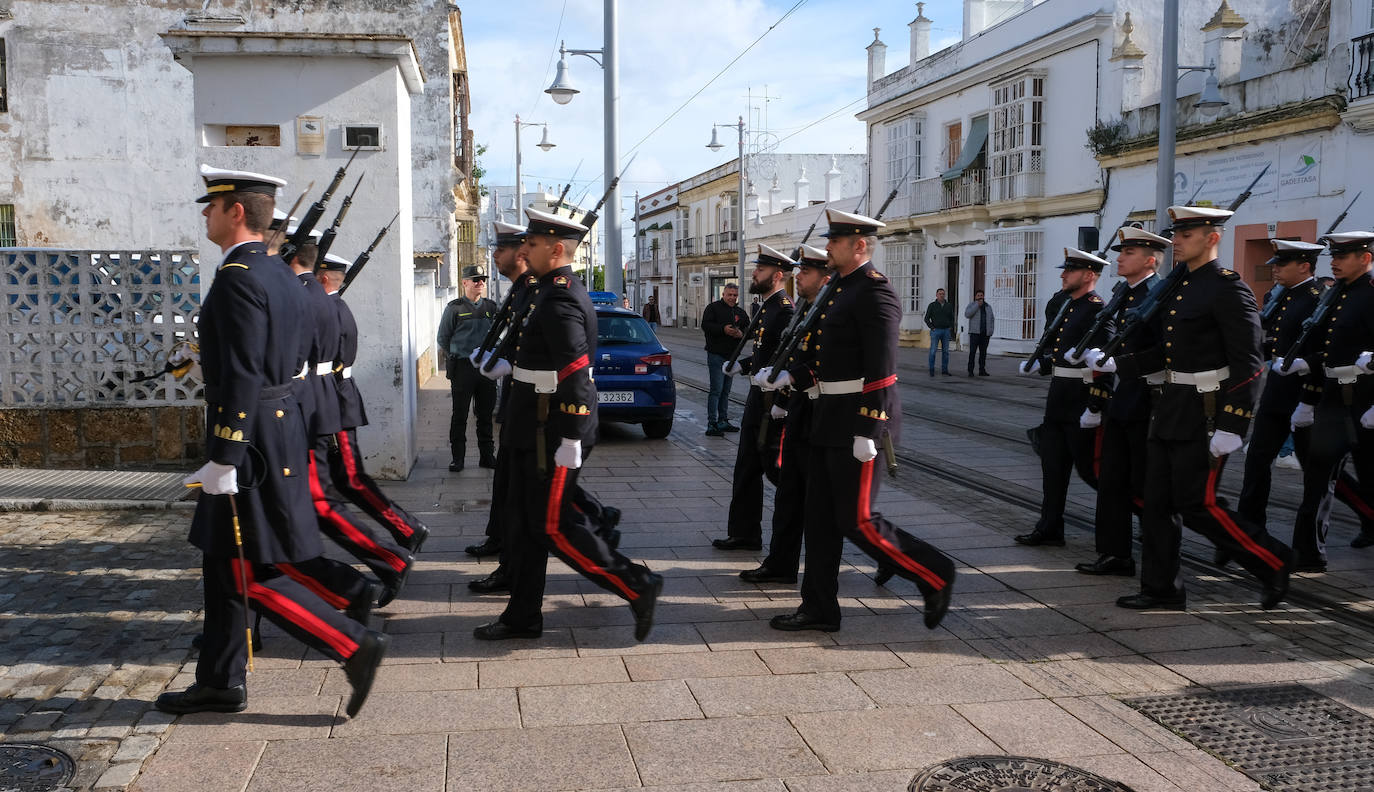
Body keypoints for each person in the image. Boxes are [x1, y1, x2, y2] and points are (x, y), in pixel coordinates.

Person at [157, 165, 385, 717]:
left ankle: (351, 644)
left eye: (211, 206)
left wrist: (225, 454)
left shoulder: (238, 276)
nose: (205, 214)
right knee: (227, 562)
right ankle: (220, 680)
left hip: (251, 435)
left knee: (239, 568)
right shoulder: (283, 274)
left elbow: (240, 372)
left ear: (236, 210)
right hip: (280, 424)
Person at [1088, 205, 1291, 611]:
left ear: (1211, 238)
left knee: (1198, 504)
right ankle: (1163, 589)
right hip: (1169, 407)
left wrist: (1235, 424)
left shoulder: (1228, 288)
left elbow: (1250, 362)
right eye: (1176, 234)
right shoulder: (1180, 286)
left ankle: (1274, 561)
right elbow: (1165, 354)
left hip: (1207, 410)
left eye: (1186, 234)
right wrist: (1118, 365)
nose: (1177, 241)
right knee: (1158, 505)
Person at [473, 208, 662, 642]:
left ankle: (636, 584)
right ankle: (522, 616)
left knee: (553, 525)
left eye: (533, 244)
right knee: (521, 525)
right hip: (529, 420)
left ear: (556, 249)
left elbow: (575, 370)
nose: (524, 249)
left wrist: (573, 435)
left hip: (551, 428)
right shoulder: (543, 291)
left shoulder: (560, 297)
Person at [768, 208, 956, 633]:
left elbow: (882, 369)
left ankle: (936, 574)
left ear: (860, 246)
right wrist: (790, 376)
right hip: (826, 419)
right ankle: (818, 607)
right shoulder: (839, 289)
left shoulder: (875, 293)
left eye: (835, 242)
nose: (828, 247)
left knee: (858, 521)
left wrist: (869, 428)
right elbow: (827, 359)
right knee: (818, 521)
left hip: (857, 423)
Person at [315, 254, 430, 555]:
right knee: (344, 480)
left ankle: (407, 528)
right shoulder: (332, 306)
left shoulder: (330, 309)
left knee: (352, 478)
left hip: (337, 401)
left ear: (323, 277)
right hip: (335, 398)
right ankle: (406, 529)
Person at [1075, 227, 1168, 576]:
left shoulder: (1157, 295)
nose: (1119, 258)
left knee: (1145, 484)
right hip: (1122, 399)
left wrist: (1121, 363)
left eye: (1127, 254)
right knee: (1111, 483)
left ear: (1149, 260)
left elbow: (1164, 351)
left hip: (1148, 401)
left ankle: (1156, 550)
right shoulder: (1124, 294)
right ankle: (1115, 554)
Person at [1279, 231, 1374, 569]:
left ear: (1365, 258)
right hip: (1333, 396)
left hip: (1367, 398)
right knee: (1318, 476)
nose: (1333, 261)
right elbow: (1330, 349)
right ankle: (1307, 553)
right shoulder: (1336, 295)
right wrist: (1308, 391)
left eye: (1342, 255)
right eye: (1333, 255)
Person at [741, 244, 830, 584]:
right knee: (789, 492)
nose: (799, 276)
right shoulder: (805, 308)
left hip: (814, 412)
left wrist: (783, 394)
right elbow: (785, 353)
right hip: (797, 408)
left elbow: (814, 362)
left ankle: (879, 551)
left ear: (824, 278)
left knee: (827, 500)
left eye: (805, 271)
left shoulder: (804, 308)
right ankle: (780, 564)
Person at [1235, 240, 1325, 563]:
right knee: (1256, 461)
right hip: (1276, 392)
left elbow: (1326, 348)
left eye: (1282, 264)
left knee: (1315, 475)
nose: (1274, 269)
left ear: (1304, 266)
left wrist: (1309, 394)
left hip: (1304, 396)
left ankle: (1308, 547)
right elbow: (1271, 338)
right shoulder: (1280, 297)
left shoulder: (1318, 299)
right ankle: (1247, 531)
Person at [1015, 248, 1109, 548]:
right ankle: (1050, 527)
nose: (1063, 275)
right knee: (1052, 470)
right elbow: (1059, 351)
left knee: (1093, 473)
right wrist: (1043, 364)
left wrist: (1096, 404)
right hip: (1059, 399)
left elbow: (1106, 360)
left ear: (1089, 276)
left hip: (1081, 402)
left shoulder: (1097, 309)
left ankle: (1144, 519)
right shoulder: (1068, 306)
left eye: (1070, 271)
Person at [712, 245, 795, 552]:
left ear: (777, 275)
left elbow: (788, 360)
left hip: (771, 403)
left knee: (776, 470)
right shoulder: (765, 306)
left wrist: (781, 403)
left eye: (759, 270)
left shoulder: (785, 309)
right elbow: (765, 354)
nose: (753, 274)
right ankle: (744, 533)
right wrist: (742, 365)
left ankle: (816, 516)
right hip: (756, 396)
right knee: (746, 466)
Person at [438, 265, 499, 471]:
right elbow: (443, 338)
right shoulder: (454, 308)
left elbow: (500, 333)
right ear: (464, 283)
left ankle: (487, 457)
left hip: (485, 367)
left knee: (485, 415)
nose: (480, 282)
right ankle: (458, 459)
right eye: (475, 279)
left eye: (482, 279)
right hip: (463, 367)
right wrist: (456, 354)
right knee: (460, 415)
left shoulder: (491, 307)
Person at [701, 284, 749, 435]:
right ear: (723, 294)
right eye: (730, 295)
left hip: (732, 357)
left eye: (735, 295)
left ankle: (723, 420)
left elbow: (750, 329)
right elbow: (705, 325)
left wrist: (741, 333)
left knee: (726, 391)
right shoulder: (713, 308)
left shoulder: (740, 312)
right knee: (716, 389)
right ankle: (712, 423)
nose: (732, 298)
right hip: (716, 355)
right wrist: (723, 329)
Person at [924, 288, 955, 376]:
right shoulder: (932, 305)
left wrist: (950, 327)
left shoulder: (948, 305)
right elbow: (926, 318)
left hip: (946, 331)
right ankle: (931, 369)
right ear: (936, 295)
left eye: (943, 294)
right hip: (936, 330)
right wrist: (932, 327)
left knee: (945, 352)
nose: (942, 295)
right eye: (940, 294)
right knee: (933, 351)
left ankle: (944, 370)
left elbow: (952, 318)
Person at [963, 290, 994, 376]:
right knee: (972, 352)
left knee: (983, 353)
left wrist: (991, 330)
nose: (980, 297)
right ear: (975, 297)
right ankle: (970, 370)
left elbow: (992, 319)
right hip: (975, 333)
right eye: (978, 295)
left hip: (985, 334)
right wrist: (977, 305)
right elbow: (967, 314)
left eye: (981, 295)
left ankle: (982, 370)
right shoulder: (972, 305)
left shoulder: (988, 307)